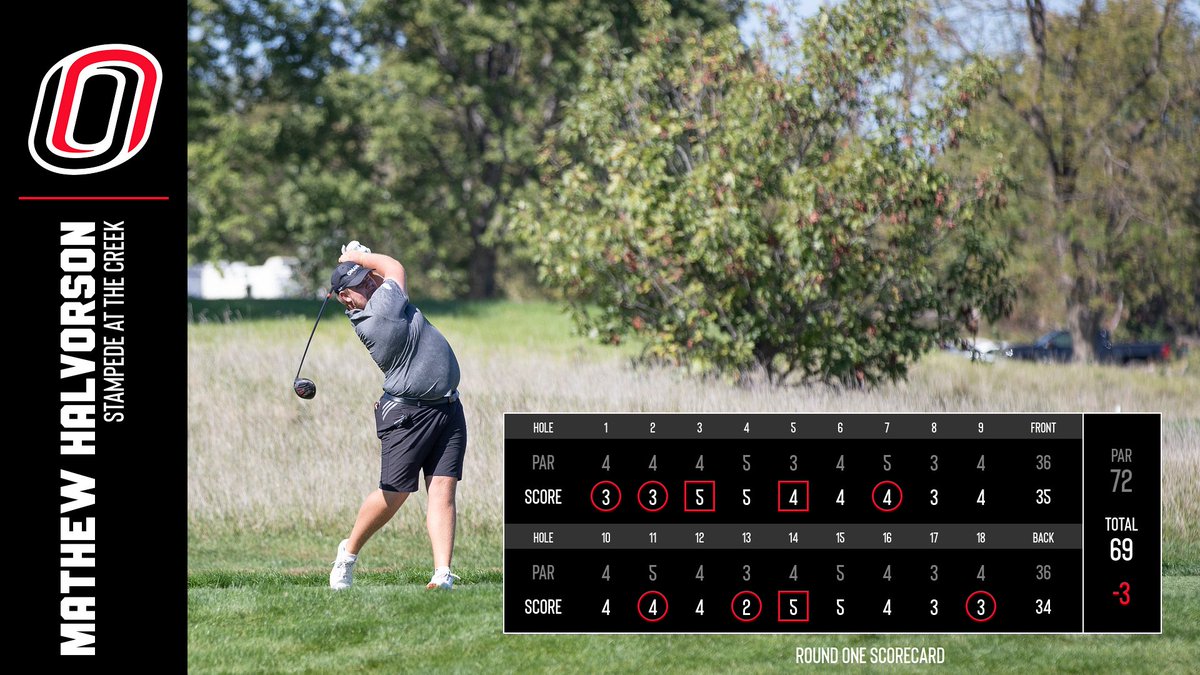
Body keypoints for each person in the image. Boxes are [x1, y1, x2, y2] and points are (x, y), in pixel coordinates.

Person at [327, 240, 467, 591]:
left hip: (447, 407)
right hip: (407, 415)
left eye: (367, 279)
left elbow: (383, 276)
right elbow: (394, 268)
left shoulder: (381, 300)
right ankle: (348, 553)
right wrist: (358, 257)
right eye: (359, 285)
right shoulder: (379, 315)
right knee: (394, 493)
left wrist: (362, 264)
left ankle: (442, 574)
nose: (368, 285)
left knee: (443, 490)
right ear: (345, 298)